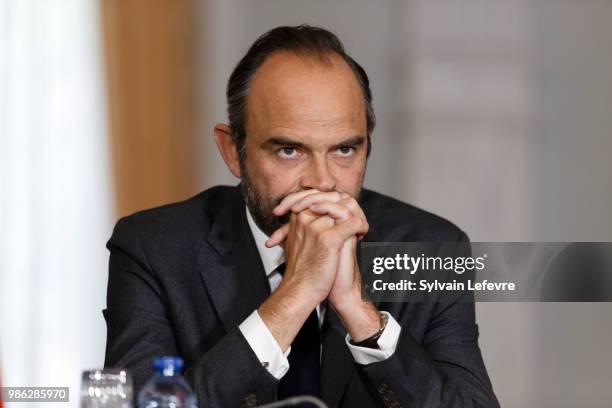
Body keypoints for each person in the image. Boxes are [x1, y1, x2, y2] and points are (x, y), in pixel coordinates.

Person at [104, 25, 499, 407]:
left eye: (344, 150)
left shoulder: (430, 248)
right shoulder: (154, 248)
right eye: (289, 151)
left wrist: (361, 316)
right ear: (232, 151)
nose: (322, 183)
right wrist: (295, 296)